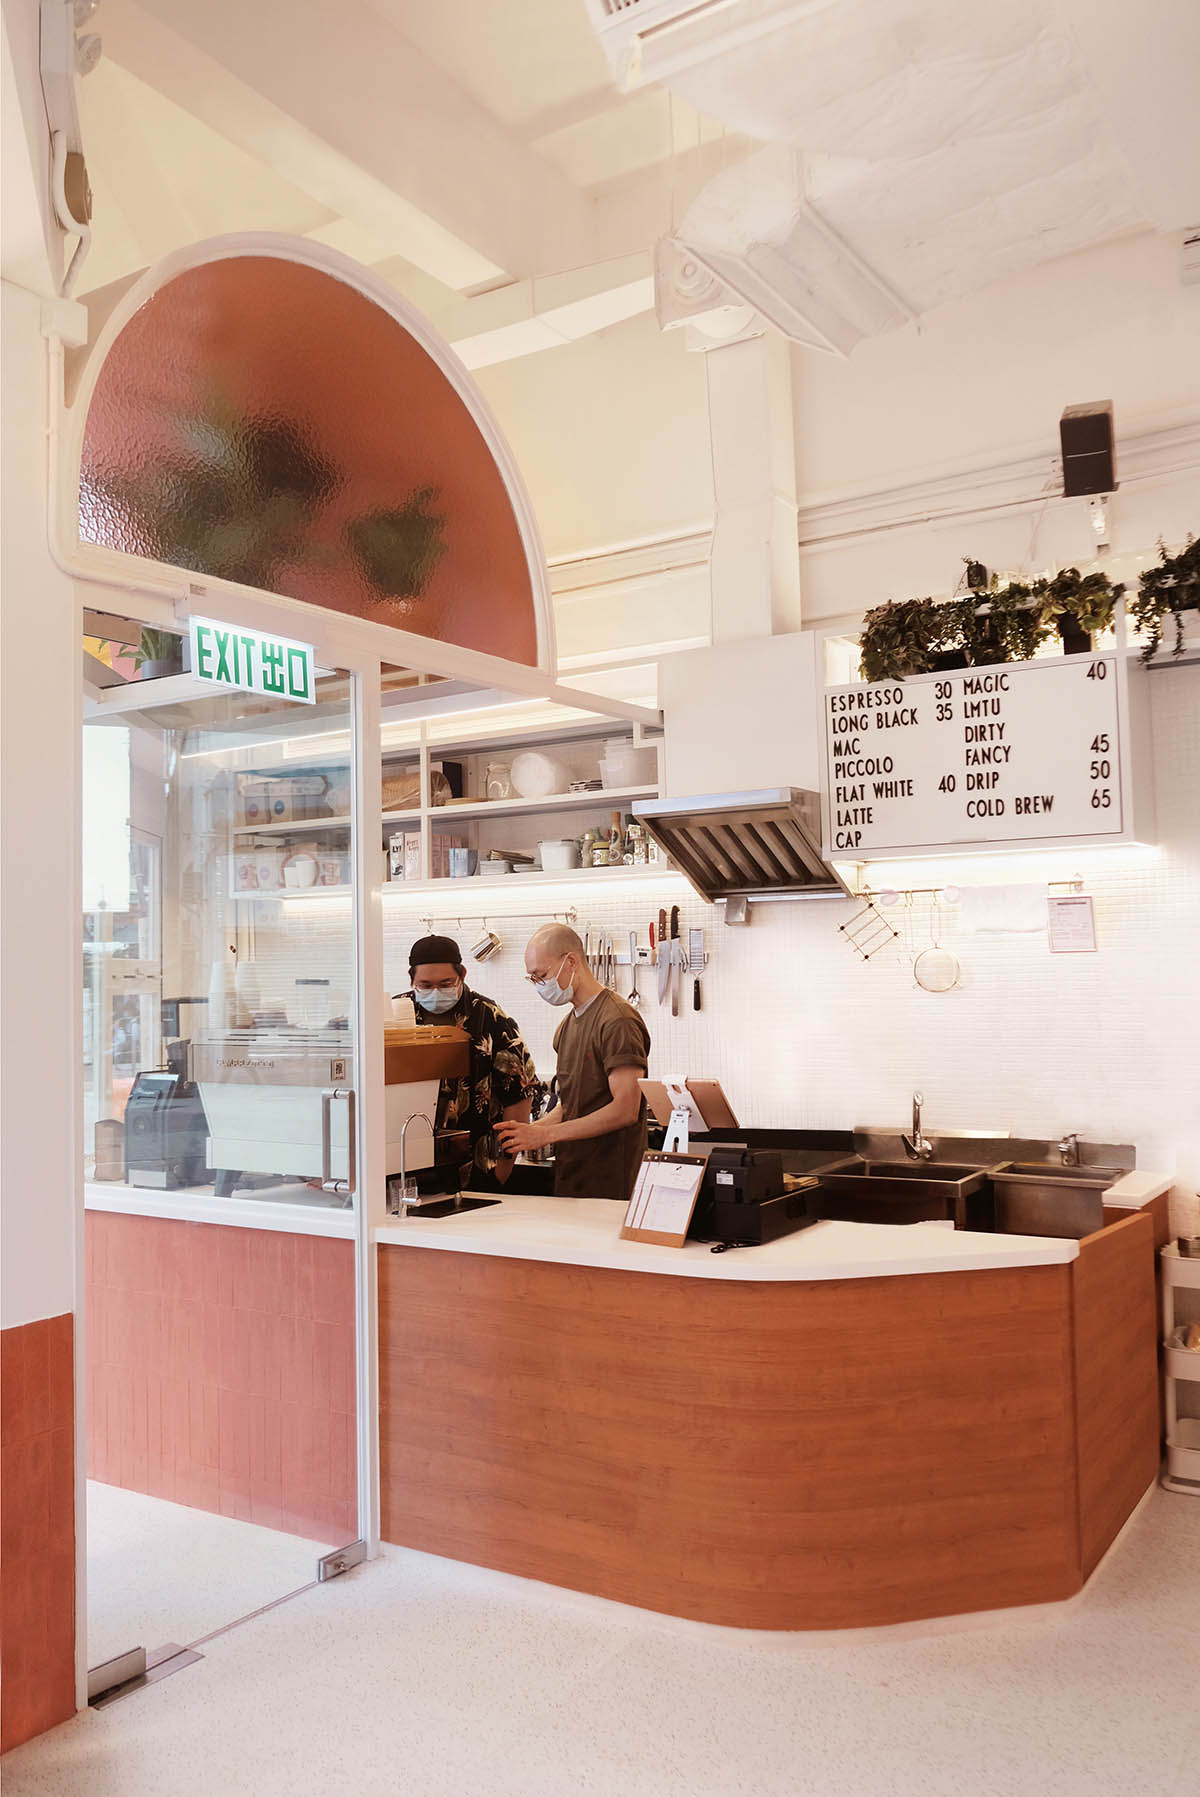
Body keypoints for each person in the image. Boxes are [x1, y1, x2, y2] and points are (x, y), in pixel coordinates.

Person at [496, 924, 651, 1202]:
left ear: (570, 962)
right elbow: (570, 1105)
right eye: (533, 979)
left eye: (541, 975)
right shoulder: (566, 1027)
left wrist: (547, 1136)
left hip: (613, 1185)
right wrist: (534, 1130)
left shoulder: (618, 1021)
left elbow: (626, 1109)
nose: (540, 985)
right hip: (574, 1181)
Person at [399, 935, 535, 1191]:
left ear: (462, 974)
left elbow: (519, 1093)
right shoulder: (396, 1017)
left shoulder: (491, 1018)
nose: (435, 992)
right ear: (411, 979)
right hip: (406, 1166)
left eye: (446, 983)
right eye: (425, 985)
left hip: (479, 1167)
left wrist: (503, 1167)